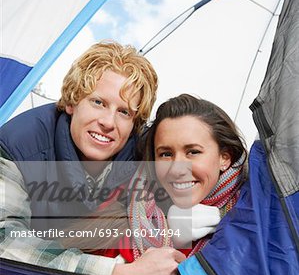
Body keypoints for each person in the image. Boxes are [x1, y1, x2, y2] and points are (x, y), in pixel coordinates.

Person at [0, 41, 185, 275]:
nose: (108, 122)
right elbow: (5, 240)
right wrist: (118, 274)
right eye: (98, 102)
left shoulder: (142, 154)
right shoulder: (20, 144)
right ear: (72, 102)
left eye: (124, 112)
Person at [66, 94, 247, 261]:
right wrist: (168, 232)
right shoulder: (127, 200)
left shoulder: (254, 215)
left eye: (193, 152)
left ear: (225, 158)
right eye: (166, 154)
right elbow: (62, 260)